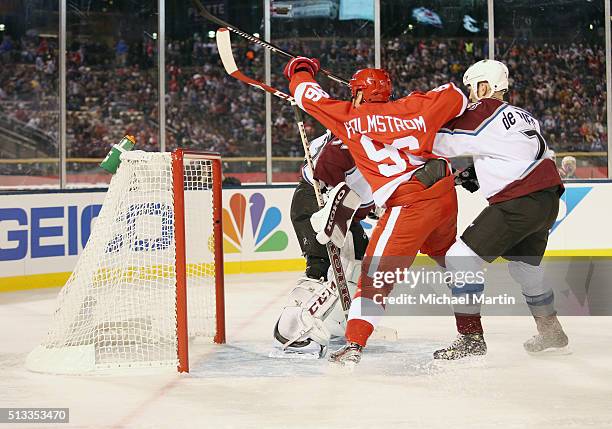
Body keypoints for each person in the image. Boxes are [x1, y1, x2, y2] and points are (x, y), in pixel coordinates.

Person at [283, 57, 468, 365]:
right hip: (443, 191)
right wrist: (414, 110)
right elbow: (456, 96)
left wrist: (300, 68)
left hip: (409, 201)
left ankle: (353, 345)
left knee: (374, 278)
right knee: (452, 261)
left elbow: (306, 94)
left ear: (356, 93)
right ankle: (472, 333)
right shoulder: (414, 106)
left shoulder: (348, 117)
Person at [432, 59, 568, 359]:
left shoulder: (483, 110)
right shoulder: (525, 116)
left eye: (472, 88)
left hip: (518, 201)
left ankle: (470, 339)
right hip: (546, 201)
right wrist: (477, 172)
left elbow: (441, 142)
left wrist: (398, 124)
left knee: (459, 259)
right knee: (525, 268)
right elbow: (514, 153)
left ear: (485, 86)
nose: (470, 95)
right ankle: (551, 331)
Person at [272, 131, 373, 357]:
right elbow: (326, 167)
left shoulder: (369, 133)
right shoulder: (355, 134)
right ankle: (290, 334)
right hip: (317, 200)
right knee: (320, 267)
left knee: (358, 262)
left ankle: (335, 321)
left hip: (344, 208)